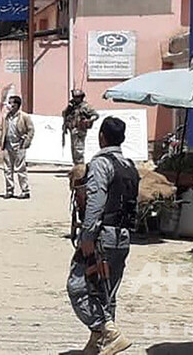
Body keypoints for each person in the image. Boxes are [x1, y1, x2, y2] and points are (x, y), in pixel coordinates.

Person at [67, 117, 138, 355]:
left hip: (101, 237)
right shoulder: (129, 165)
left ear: (101, 137)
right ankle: (99, 344)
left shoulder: (101, 164)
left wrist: (87, 236)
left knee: (78, 286)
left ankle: (109, 332)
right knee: (107, 293)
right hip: (122, 237)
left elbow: (96, 203)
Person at [0, 95, 35, 199]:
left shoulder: (24, 117)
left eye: (11, 103)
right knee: (7, 169)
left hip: (19, 145)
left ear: (16, 105)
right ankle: (9, 190)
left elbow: (31, 130)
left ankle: (25, 191)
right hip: (8, 145)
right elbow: (1, 129)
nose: (9, 105)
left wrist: (27, 142)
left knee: (20, 168)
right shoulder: (6, 117)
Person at [63, 89, 99, 166]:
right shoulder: (72, 106)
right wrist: (69, 108)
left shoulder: (85, 106)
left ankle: (80, 165)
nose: (75, 98)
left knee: (79, 149)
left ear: (81, 97)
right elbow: (65, 115)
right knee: (73, 149)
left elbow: (95, 115)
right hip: (73, 129)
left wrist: (88, 120)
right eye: (74, 97)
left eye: (77, 97)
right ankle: (76, 164)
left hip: (80, 129)